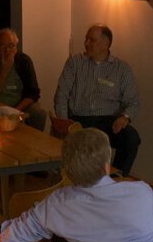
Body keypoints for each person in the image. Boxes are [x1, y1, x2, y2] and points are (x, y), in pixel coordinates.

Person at [0, 128, 153, 242]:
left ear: (67, 171)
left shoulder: (55, 205)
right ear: (106, 166)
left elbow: (7, 240)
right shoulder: (144, 195)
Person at [53, 24, 141, 177]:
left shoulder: (121, 69)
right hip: (79, 119)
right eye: (86, 39)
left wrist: (125, 117)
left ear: (106, 44)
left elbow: (133, 102)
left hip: (108, 121)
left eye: (92, 40)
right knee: (80, 144)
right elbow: (61, 94)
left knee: (131, 138)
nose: (86, 43)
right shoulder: (75, 63)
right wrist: (63, 121)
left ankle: (115, 178)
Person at [0, 28, 47, 131]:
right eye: (3, 46)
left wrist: (15, 111)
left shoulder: (24, 61)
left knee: (39, 113)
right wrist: (4, 71)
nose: (7, 50)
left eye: (11, 46)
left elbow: (33, 93)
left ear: (16, 48)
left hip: (19, 106)